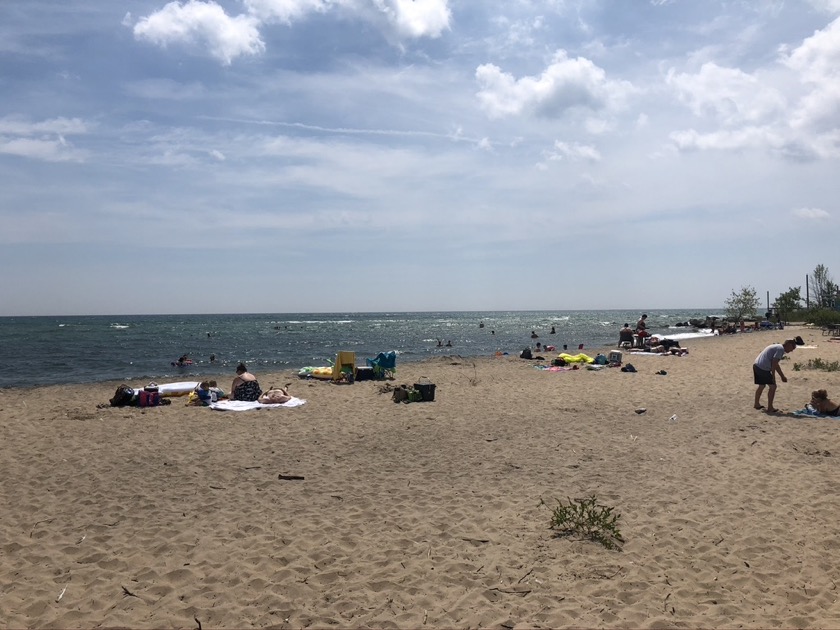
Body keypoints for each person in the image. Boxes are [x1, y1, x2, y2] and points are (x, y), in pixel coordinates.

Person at [753, 339, 800, 412]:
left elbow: (776, 364)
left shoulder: (777, 347)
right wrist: (773, 377)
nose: (792, 351)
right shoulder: (780, 349)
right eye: (792, 348)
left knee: (762, 386)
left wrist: (782, 376)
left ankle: (756, 404)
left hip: (757, 365)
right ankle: (770, 407)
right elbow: (774, 363)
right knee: (773, 387)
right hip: (763, 368)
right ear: (789, 345)